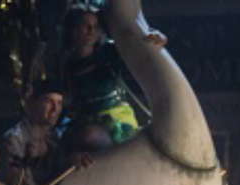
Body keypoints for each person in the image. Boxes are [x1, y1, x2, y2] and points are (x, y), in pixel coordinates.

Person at [60, 6, 167, 150]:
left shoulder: (110, 52)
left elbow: (139, 44)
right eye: (85, 26)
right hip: (85, 121)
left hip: (118, 119)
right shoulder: (65, 65)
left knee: (91, 135)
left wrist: (156, 36)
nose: (91, 31)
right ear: (73, 30)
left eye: (95, 26)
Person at [1, 80, 85, 185]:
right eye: (49, 101)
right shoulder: (14, 138)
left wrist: (74, 158)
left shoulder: (56, 136)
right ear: (32, 103)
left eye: (59, 103)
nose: (55, 109)